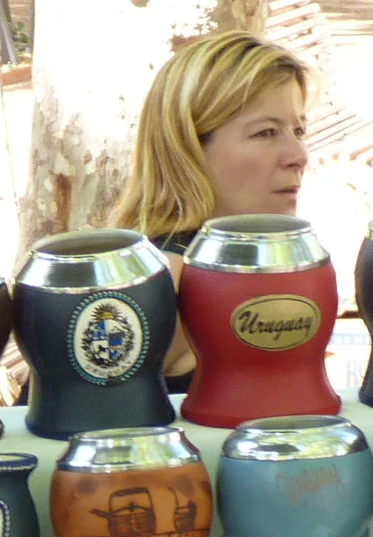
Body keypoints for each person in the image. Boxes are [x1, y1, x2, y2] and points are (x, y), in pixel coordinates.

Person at [111, 32, 313, 384]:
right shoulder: (167, 283)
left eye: (298, 131)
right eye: (266, 133)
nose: (298, 156)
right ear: (187, 146)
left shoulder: (239, 262)